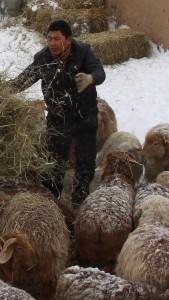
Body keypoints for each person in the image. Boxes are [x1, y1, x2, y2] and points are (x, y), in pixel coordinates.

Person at [9, 20, 106, 202]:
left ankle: (79, 202)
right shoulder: (43, 59)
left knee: (85, 165)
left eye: (57, 38)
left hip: (84, 116)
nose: (52, 43)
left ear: (68, 40)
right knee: (52, 166)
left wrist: (90, 78)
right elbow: (23, 80)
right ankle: (51, 203)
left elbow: (100, 72)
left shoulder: (83, 53)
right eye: (49, 38)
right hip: (58, 118)